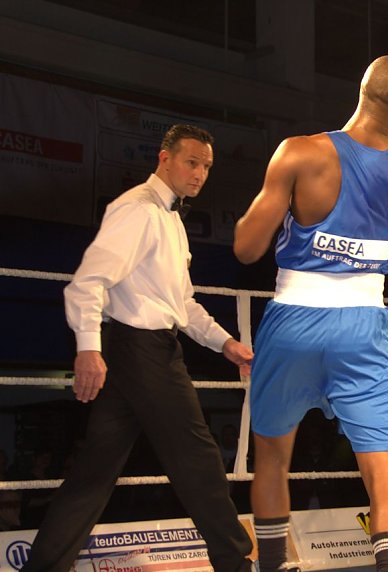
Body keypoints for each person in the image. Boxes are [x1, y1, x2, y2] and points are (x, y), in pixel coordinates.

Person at [233, 55, 388, 572]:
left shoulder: (300, 152)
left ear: (362, 92)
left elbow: (246, 248)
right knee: (385, 475)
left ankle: (274, 565)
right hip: (363, 326)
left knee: (272, 460)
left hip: (291, 318)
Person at [22, 124, 254, 572]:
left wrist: (225, 343)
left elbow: (181, 304)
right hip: (141, 349)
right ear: (164, 159)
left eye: (206, 166)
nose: (200, 173)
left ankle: (43, 567)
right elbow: (87, 283)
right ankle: (236, 564)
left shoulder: (169, 218)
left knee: (96, 470)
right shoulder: (138, 211)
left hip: (140, 349)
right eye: (192, 162)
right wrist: (89, 347)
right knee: (198, 456)